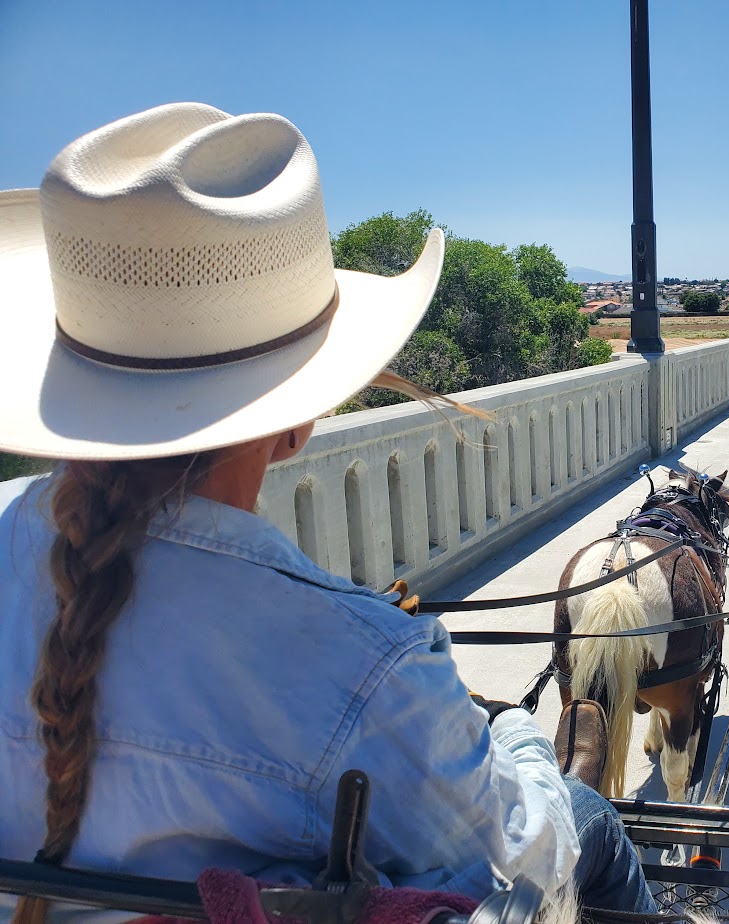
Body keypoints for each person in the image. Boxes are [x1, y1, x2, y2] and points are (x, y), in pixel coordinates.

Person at [0, 103, 656, 923]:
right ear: (294, 420)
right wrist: (522, 733)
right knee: (583, 817)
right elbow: (519, 858)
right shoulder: (368, 665)